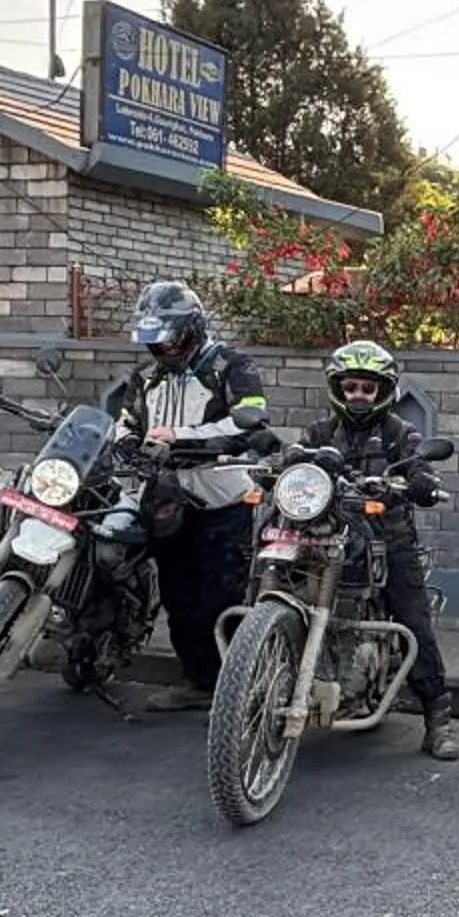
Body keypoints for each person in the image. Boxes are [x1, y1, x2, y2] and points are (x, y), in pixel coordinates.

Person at [122, 279, 270, 712]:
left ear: (194, 330)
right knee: (178, 596)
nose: (166, 348)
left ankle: (237, 689)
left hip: (223, 499)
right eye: (157, 341)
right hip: (167, 498)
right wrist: (124, 441)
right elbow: (126, 420)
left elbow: (250, 422)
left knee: (222, 598)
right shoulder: (145, 376)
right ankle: (199, 682)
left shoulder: (231, 365)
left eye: (173, 339)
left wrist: (181, 437)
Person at [316, 339, 459, 761]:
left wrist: (421, 482)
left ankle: (437, 718)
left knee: (414, 619)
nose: (358, 395)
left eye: (368, 388)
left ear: (383, 391)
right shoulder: (321, 433)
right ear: (338, 389)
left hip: (388, 539)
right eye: (350, 387)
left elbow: (418, 464)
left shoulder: (400, 433)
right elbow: (297, 458)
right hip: (329, 536)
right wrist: (282, 463)